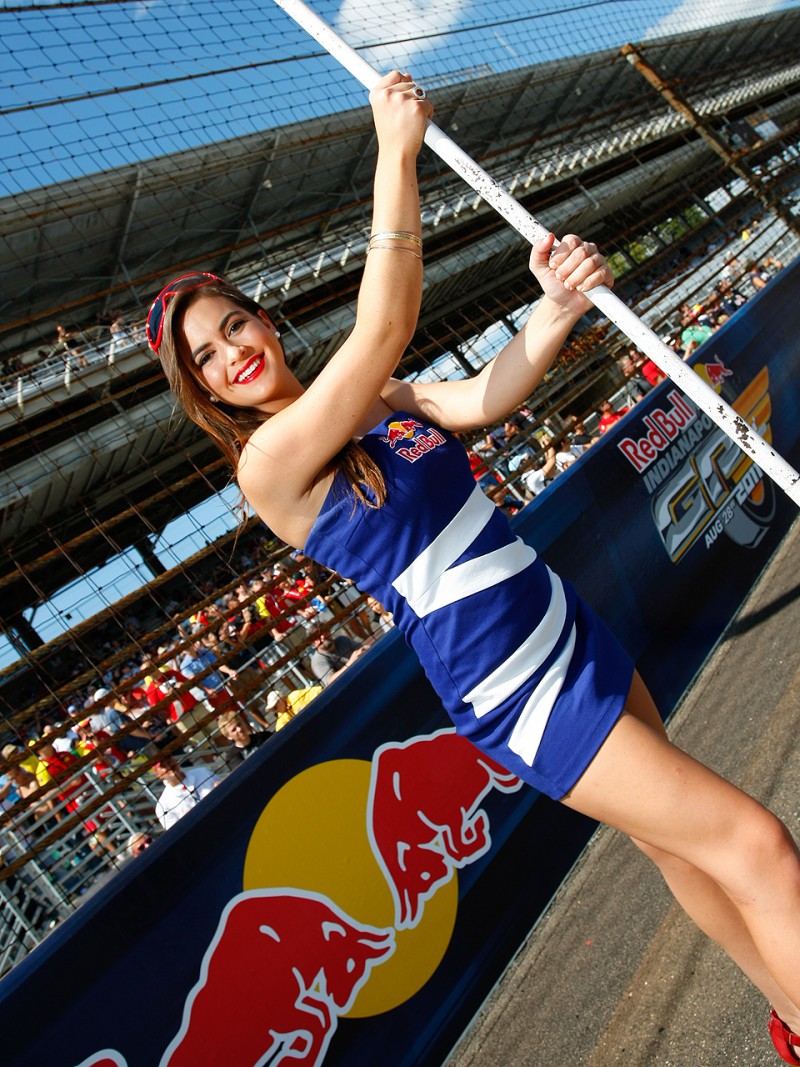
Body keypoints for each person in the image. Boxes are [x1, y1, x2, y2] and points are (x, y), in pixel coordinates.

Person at [150, 71, 800, 1064]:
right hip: (518, 687)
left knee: (686, 852)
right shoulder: (271, 464)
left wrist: (552, 305)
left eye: (231, 324)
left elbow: (477, 399)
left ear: (261, 320)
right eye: (202, 357)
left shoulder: (375, 397)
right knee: (753, 843)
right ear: (201, 393)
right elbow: (385, 325)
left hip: (561, 621)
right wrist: (395, 151)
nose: (229, 351)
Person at [151, 756, 220, 831]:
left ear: (175, 760)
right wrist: (186, 822)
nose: (169, 766)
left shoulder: (202, 772)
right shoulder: (163, 806)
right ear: (158, 774)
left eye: (169, 761)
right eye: (163, 766)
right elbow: (176, 834)